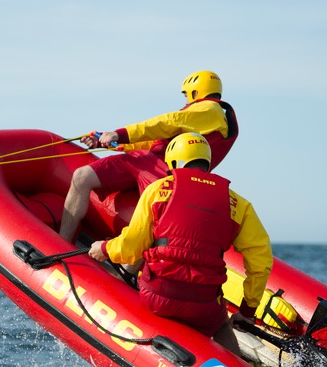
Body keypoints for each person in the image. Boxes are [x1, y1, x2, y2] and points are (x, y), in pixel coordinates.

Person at [88, 133, 273, 356]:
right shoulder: (238, 204)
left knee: (136, 275)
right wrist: (247, 310)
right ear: (207, 162)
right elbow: (261, 261)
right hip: (204, 305)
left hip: (157, 296)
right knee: (222, 325)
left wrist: (105, 249)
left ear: (174, 162)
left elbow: (132, 245)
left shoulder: (158, 190)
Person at [60, 70, 239, 242]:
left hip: (166, 171)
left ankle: (125, 269)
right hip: (146, 160)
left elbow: (167, 122)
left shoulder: (209, 110)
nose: (185, 99)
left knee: (149, 219)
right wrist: (112, 143)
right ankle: (62, 245)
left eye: (186, 95)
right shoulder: (203, 117)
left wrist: (120, 133)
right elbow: (156, 140)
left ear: (195, 92)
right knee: (82, 176)